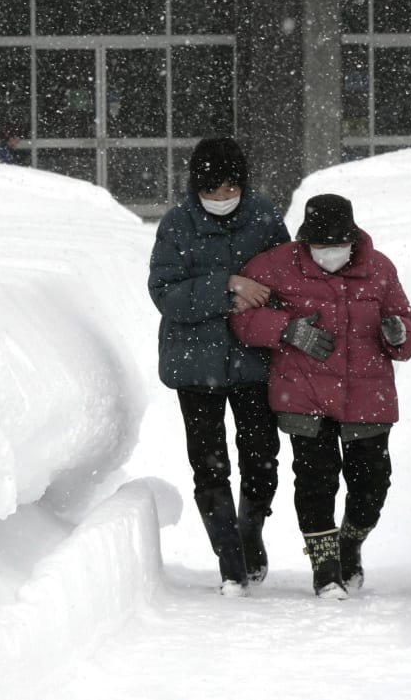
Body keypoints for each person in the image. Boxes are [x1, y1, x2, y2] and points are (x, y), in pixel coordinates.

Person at [229, 193, 411, 599]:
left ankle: (350, 543)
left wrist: (399, 334)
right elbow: (241, 317)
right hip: (304, 394)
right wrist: (287, 328)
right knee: (316, 483)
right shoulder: (275, 266)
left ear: (353, 240)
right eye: (320, 247)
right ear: (304, 242)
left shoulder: (380, 269)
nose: (329, 254)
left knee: (373, 485)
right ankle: (325, 568)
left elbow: (406, 322)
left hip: (368, 397)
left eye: (338, 246)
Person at [148, 137, 290, 595]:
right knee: (209, 465)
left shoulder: (265, 217)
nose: (223, 198)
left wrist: (263, 299)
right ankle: (229, 559)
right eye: (214, 191)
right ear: (197, 187)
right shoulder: (176, 225)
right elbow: (164, 291)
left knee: (261, 459)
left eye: (231, 189)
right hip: (195, 363)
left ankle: (250, 534)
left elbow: (288, 281)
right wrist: (224, 287)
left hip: (254, 362)